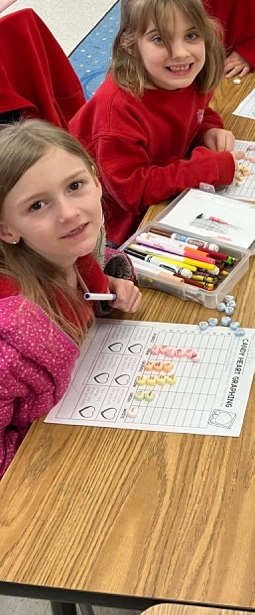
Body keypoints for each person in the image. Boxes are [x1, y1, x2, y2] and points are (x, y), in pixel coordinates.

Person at [0, 121, 141, 477]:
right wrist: (47, 457)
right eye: (37, 206)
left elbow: (95, 266)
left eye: (75, 186)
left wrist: (112, 284)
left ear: (96, 181)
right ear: (7, 230)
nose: (67, 213)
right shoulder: (11, 338)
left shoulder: (67, 253)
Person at [70, 0, 243, 245]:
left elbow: (195, 111)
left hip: (163, 186)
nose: (180, 53)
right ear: (130, 45)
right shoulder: (117, 109)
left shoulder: (187, 74)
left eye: (191, 35)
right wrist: (206, 169)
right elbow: (132, 192)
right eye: (160, 39)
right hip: (115, 226)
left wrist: (208, 128)